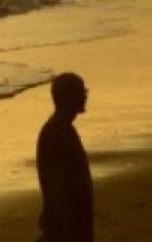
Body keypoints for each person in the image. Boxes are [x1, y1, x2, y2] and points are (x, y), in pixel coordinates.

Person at [35, 72, 92, 242]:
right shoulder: (56, 134)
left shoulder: (63, 129)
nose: (85, 96)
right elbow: (60, 190)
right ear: (70, 97)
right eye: (82, 91)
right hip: (64, 229)